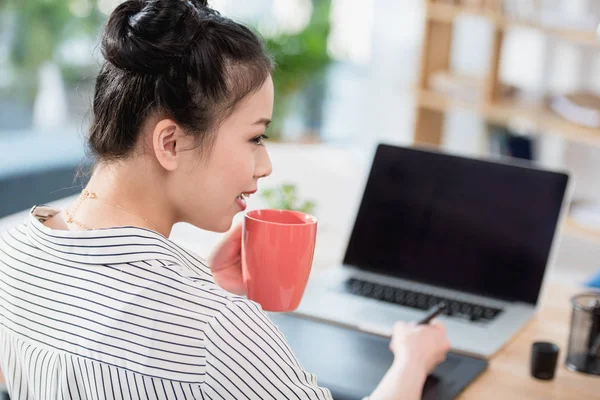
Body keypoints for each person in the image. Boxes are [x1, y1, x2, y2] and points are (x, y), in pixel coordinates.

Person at [0, 0, 450, 398]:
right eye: (256, 137)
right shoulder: (214, 329)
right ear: (170, 143)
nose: (265, 164)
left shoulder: (13, 252)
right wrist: (413, 361)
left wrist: (203, 287)